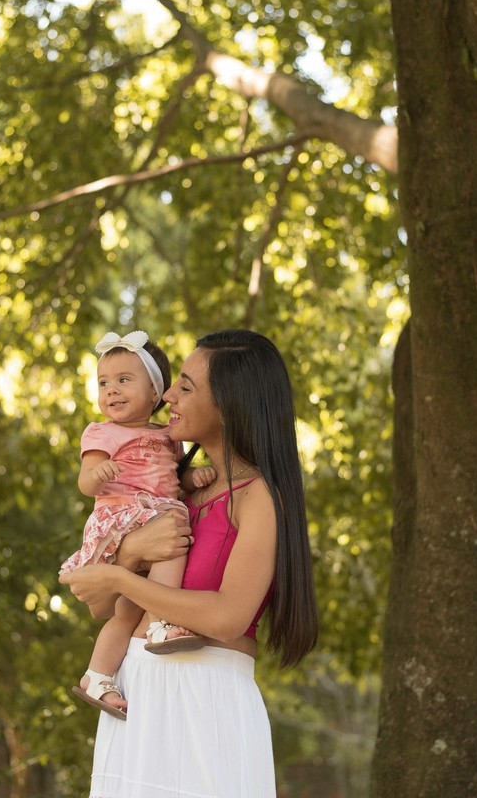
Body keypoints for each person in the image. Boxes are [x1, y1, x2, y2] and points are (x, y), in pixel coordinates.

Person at [60, 329, 318, 798]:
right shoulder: (173, 494)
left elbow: (227, 618)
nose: (168, 396)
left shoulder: (259, 497)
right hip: (135, 695)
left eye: (185, 386)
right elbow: (99, 605)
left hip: (205, 701)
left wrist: (119, 574)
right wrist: (130, 553)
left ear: (230, 404)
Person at [62, 330, 217, 721]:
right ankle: (162, 621)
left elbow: (172, 478)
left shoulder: (168, 436)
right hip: (121, 517)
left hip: (155, 512)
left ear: (154, 392)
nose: (111, 390)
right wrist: (97, 475)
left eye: (123, 380)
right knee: (174, 535)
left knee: (128, 611)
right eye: (103, 383)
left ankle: (97, 676)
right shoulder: (102, 432)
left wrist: (192, 478)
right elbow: (85, 483)